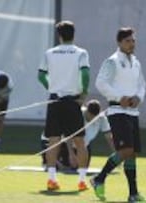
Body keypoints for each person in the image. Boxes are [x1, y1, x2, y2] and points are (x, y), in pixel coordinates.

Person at [91, 27, 146, 202]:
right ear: (119, 42)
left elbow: (142, 84)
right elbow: (101, 83)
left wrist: (139, 97)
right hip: (117, 111)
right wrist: (119, 97)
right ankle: (99, 179)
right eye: (128, 41)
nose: (131, 44)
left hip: (132, 112)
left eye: (133, 41)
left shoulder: (136, 62)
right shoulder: (112, 61)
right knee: (126, 150)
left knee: (131, 154)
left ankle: (133, 194)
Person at [38, 21, 90, 191]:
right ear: (73, 34)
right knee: (80, 142)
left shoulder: (50, 53)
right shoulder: (81, 52)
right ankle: (82, 180)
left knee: (53, 141)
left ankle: (52, 179)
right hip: (72, 101)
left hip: (55, 100)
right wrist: (83, 94)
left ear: (59, 35)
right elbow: (85, 74)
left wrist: (51, 87)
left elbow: (41, 75)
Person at [40, 100, 115, 169]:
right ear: (87, 111)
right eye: (90, 115)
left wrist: (116, 155)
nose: (92, 119)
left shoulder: (102, 119)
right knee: (57, 166)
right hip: (60, 142)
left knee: (81, 167)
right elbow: (67, 135)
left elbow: (109, 137)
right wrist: (71, 154)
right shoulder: (76, 114)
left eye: (94, 117)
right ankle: (50, 160)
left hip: (81, 145)